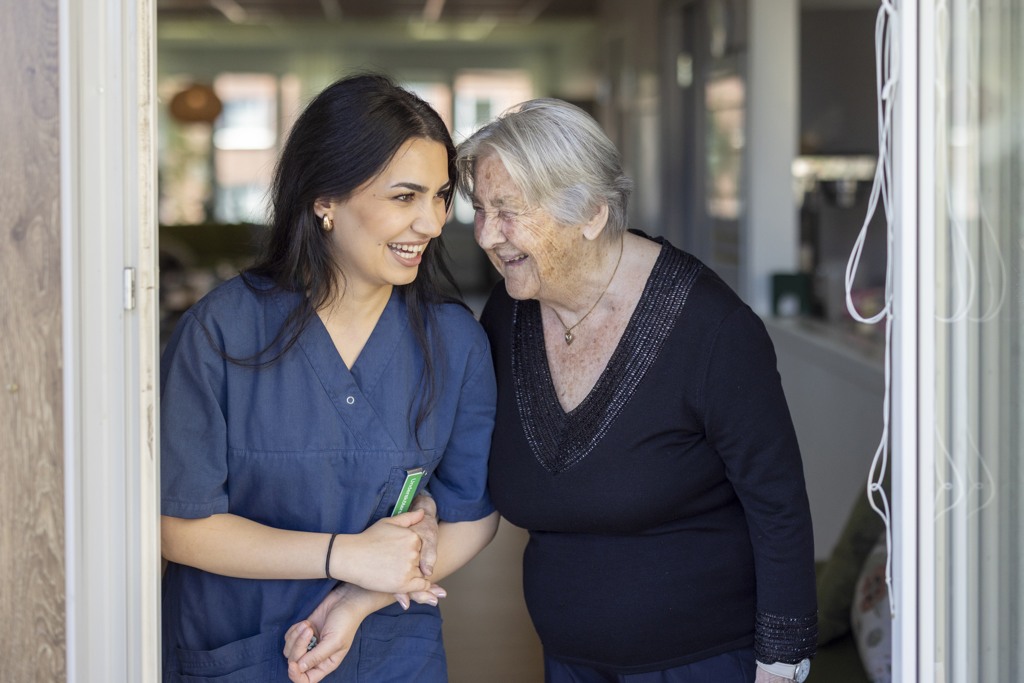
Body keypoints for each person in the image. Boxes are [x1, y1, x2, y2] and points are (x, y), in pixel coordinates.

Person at [454, 98, 818, 683]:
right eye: (481, 209)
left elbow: (778, 504)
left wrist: (782, 661)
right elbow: (473, 469)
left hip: (702, 662)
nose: (487, 236)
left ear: (592, 214)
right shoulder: (509, 313)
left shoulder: (711, 330)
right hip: (568, 659)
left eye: (509, 211)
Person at [160, 73, 499, 683]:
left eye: (441, 195)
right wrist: (347, 555)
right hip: (238, 649)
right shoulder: (222, 332)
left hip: (392, 652)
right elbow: (180, 526)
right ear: (325, 201)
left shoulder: (455, 343)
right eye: (404, 197)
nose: (431, 222)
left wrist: (359, 596)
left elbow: (471, 513)